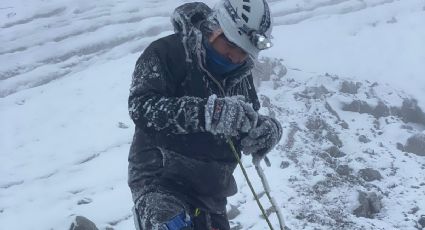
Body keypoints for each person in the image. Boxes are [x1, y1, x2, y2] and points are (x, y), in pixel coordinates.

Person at [128, 0, 282, 229]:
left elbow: (246, 120)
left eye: (244, 52)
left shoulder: (240, 75)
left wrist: (267, 131)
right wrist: (207, 113)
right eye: (231, 44)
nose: (235, 57)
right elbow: (141, 107)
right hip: (161, 183)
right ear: (215, 28)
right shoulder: (166, 53)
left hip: (212, 197)